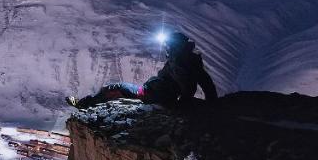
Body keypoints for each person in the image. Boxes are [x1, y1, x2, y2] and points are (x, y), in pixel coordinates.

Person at [66, 30, 219, 109]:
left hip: (152, 93)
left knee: (115, 87)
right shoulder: (191, 60)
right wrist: (213, 103)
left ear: (175, 46)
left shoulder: (178, 61)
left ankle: (84, 104)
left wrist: (179, 106)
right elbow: (206, 84)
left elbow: (187, 87)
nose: (166, 48)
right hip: (159, 93)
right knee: (120, 89)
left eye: (168, 45)